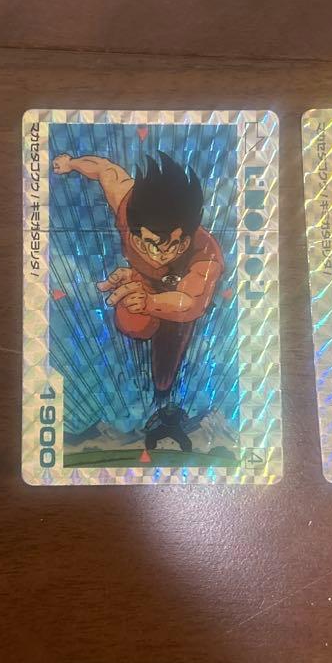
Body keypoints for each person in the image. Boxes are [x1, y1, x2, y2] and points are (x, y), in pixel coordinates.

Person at [52, 150, 223, 443]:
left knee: (165, 372)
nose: (160, 254)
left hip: (178, 302)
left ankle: (166, 402)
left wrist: (151, 302)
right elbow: (104, 169)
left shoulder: (206, 255)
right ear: (134, 230)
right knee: (131, 322)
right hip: (145, 285)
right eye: (150, 244)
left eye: (174, 245)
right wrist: (71, 164)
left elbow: (191, 302)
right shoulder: (126, 203)